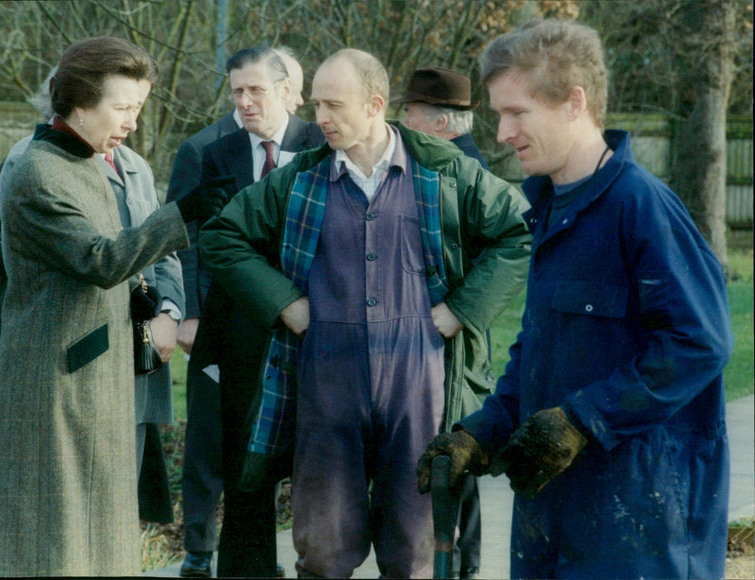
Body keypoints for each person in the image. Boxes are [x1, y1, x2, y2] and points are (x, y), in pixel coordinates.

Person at [417, 19, 734, 580]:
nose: (503, 134)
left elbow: (699, 343)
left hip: (639, 523)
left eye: (518, 113)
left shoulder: (641, 207)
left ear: (574, 102)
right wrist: (482, 432)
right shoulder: (546, 210)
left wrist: (583, 420)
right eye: (498, 115)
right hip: (552, 515)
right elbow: (539, 353)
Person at [199, 48, 531, 578]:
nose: (320, 118)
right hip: (325, 380)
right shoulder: (299, 181)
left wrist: (463, 310)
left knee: (416, 548)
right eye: (317, 105)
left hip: (420, 382)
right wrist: (283, 302)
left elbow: (519, 231)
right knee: (324, 548)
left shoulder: (444, 175)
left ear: (375, 105)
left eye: (334, 105)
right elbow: (220, 236)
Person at [0, 36, 219, 577]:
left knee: (96, 543)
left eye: (139, 109)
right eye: (124, 108)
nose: (133, 122)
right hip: (50, 388)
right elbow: (100, 259)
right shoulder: (37, 170)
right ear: (80, 101)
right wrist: (185, 215)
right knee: (48, 544)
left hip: (94, 378)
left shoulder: (88, 161)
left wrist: (164, 306)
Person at [166, 45, 312, 579]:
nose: (245, 102)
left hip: (304, 321)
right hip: (230, 326)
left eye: (256, 91)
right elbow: (188, 238)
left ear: (287, 91)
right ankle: (222, 558)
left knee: (298, 448)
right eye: (237, 92)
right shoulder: (209, 151)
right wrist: (191, 311)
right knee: (227, 445)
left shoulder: (320, 146)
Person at [398, 65, 488, 579]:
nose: (401, 121)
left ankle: (461, 567)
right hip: (434, 336)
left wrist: (455, 312)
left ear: (438, 123)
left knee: (457, 452)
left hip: (453, 342)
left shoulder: (466, 173)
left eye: (408, 112)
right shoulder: (442, 165)